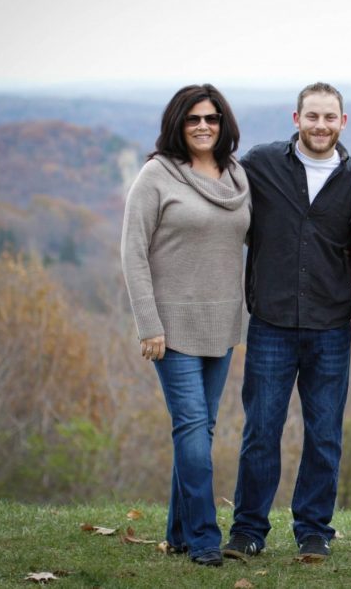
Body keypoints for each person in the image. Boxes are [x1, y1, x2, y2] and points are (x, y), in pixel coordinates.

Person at [224, 82, 351, 562]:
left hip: (330, 325)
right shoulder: (262, 164)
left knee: (324, 434)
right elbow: (217, 188)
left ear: (342, 122)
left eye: (330, 117)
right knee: (261, 431)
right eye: (313, 116)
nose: (321, 125)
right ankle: (248, 530)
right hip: (271, 321)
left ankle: (313, 530)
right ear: (296, 118)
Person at [121, 84, 250, 568]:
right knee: (193, 427)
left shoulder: (237, 177)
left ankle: (177, 531)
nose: (202, 126)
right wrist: (147, 325)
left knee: (198, 429)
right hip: (171, 327)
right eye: (193, 118)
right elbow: (132, 253)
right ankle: (202, 538)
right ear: (178, 123)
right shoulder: (156, 176)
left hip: (222, 323)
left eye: (211, 119)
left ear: (224, 125)